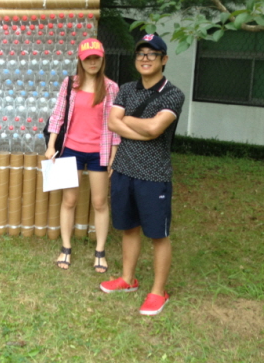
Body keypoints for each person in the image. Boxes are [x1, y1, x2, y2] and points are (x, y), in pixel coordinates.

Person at [100, 34, 185, 316]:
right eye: (141, 54)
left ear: (164, 59)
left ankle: (158, 292)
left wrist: (128, 121)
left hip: (154, 175)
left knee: (158, 234)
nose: (145, 59)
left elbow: (155, 129)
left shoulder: (173, 94)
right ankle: (128, 279)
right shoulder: (126, 89)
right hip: (123, 169)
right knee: (129, 227)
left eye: (152, 54)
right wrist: (141, 128)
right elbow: (113, 123)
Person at [45, 38, 120, 272]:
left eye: (96, 58)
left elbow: (115, 125)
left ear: (102, 59)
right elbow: (58, 115)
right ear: (81, 60)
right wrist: (51, 145)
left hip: (99, 152)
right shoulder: (70, 84)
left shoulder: (111, 88)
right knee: (69, 201)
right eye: (88, 58)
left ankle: (100, 251)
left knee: (99, 202)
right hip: (71, 149)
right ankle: (66, 248)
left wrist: (113, 155)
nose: (92, 62)